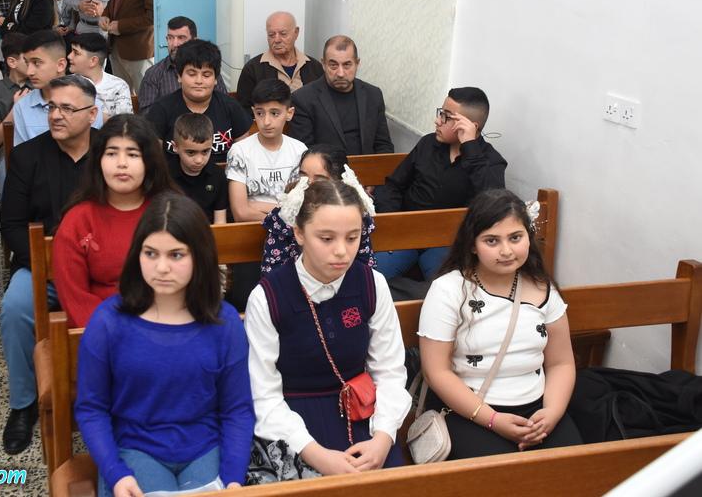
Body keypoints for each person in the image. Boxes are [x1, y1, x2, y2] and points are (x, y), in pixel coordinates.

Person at [76, 192, 254, 497]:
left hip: (205, 447)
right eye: (150, 253)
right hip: (134, 448)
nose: (161, 268)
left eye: (176, 255)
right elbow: (92, 408)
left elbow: (237, 409)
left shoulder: (224, 322)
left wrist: (233, 478)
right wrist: (116, 474)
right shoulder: (108, 321)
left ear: (199, 256)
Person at [244, 178, 410, 481]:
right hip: (291, 421)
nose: (342, 251)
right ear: (299, 232)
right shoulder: (268, 296)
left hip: (363, 412)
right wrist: (314, 453)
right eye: (326, 238)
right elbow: (264, 395)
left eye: (352, 237)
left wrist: (383, 437)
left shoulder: (372, 284)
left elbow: (389, 371)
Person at [418, 189, 582, 458]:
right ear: (472, 244)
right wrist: (493, 420)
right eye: (492, 240)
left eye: (515, 237)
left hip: (538, 408)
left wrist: (552, 413)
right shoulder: (449, 290)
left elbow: (560, 363)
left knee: (574, 469)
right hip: (469, 409)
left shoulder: (543, 289)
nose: (506, 251)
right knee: (503, 477)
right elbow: (436, 371)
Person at [0, 74, 100, 455]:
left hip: (102, 266)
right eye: (52, 107)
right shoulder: (28, 156)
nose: (56, 115)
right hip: (43, 267)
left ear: (92, 114)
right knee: (15, 308)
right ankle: (24, 403)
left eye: (67, 108)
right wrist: (51, 264)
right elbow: (11, 226)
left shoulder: (111, 152)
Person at [53, 114, 178, 328]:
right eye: (111, 153)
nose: (121, 164)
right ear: (98, 160)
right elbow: (74, 297)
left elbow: (191, 283)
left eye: (132, 154)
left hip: (168, 326)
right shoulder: (78, 220)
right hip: (102, 331)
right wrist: (115, 335)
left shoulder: (173, 211)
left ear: (149, 161)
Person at [373, 87, 507, 281]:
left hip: (448, 241)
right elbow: (393, 186)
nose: (437, 121)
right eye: (440, 113)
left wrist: (470, 148)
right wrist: (393, 221)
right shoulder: (428, 144)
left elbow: (494, 205)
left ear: (470, 126)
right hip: (407, 232)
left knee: (445, 286)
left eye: (446, 117)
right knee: (372, 276)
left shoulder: (490, 161)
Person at [260, 145, 376, 276]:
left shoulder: (354, 213)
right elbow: (273, 271)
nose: (309, 184)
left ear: (338, 182)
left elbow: (365, 266)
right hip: (295, 285)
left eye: (319, 179)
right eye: (303, 176)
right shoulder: (287, 214)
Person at [145, 39, 252, 165]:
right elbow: (153, 159)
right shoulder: (161, 110)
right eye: (192, 74)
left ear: (216, 79)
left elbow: (243, 155)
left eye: (206, 75)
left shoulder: (231, 107)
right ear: (179, 76)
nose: (199, 81)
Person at [289, 36, 395, 155]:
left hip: (367, 166)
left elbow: (383, 145)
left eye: (347, 65)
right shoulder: (303, 99)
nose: (340, 73)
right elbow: (304, 152)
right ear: (323, 64)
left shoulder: (373, 95)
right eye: (333, 65)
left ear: (357, 63)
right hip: (325, 166)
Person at [227, 80, 307, 223]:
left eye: (274, 113)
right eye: (260, 113)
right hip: (250, 230)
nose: (266, 122)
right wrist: (284, 214)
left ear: (289, 113)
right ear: (253, 112)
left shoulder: (299, 150)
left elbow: (302, 208)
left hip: (292, 232)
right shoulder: (239, 151)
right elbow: (241, 213)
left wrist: (255, 204)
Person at [12, 30, 106, 145]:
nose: (29, 72)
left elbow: (93, 149)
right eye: (27, 63)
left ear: (61, 65)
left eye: (37, 63)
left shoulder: (88, 102)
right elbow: (22, 152)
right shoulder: (22, 107)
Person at [137, 15, 227, 114]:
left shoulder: (208, 70)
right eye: (170, 38)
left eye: (181, 38)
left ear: (194, 41)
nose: (175, 44)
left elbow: (223, 107)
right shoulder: (154, 74)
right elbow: (147, 116)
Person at [235, 11, 323, 109]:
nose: (277, 40)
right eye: (271, 35)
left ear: (296, 33)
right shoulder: (252, 69)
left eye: (283, 34)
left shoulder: (315, 67)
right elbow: (243, 109)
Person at [169, 113, 228, 224]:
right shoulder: (165, 175)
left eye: (205, 151)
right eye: (191, 152)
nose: (199, 160)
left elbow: (220, 221)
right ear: (175, 147)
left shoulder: (218, 176)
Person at [0, 31, 29, 168]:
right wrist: (16, 109)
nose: (33, 65)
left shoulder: (40, 87)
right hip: (8, 161)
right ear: (12, 62)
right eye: (28, 60)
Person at [68, 33, 132, 119]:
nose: (69, 56)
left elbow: (124, 122)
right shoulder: (66, 84)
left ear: (93, 61)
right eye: (71, 51)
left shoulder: (119, 86)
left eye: (76, 53)